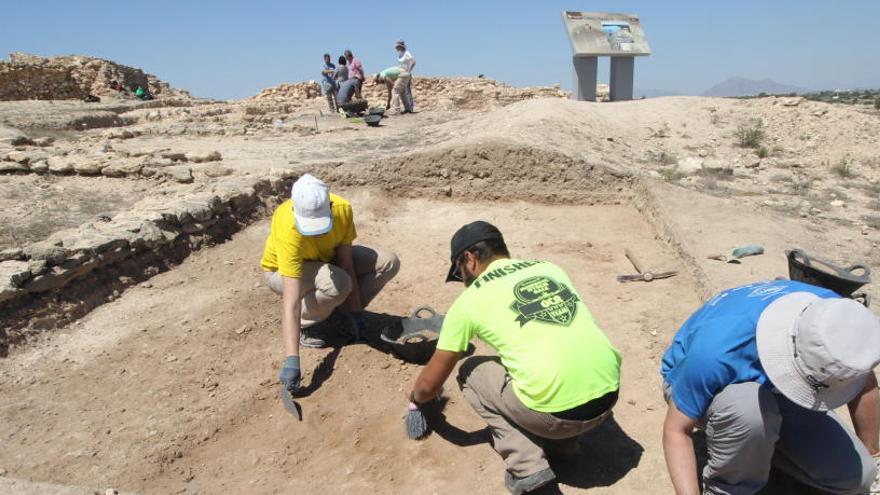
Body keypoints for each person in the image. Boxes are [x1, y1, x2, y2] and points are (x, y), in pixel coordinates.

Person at [409, 221, 621, 495]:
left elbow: (429, 386)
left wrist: (415, 399)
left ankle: (529, 469)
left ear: (469, 259)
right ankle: (566, 446)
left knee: (470, 370)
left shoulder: (469, 301)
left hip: (558, 418)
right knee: (552, 355)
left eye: (459, 271)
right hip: (608, 398)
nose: (463, 280)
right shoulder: (549, 268)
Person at [661, 279, 880, 495]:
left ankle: (760, 450)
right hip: (710, 389)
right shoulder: (716, 353)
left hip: (776, 392)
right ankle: (729, 488)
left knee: (856, 478)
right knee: (748, 411)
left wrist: (874, 455)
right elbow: (677, 431)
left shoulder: (836, 317)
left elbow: (864, 381)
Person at [261, 174, 400, 397]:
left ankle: (338, 313)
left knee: (389, 262)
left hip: (326, 263)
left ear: (330, 205)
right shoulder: (288, 227)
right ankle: (308, 326)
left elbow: (346, 263)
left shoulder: (342, 209)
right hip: (281, 273)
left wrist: (356, 313)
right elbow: (291, 302)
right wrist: (292, 359)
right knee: (338, 284)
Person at [395, 40, 416, 112]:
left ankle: (410, 108)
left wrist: (409, 71)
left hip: (406, 74)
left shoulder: (407, 53)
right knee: (403, 91)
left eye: (397, 46)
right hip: (401, 74)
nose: (396, 48)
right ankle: (407, 108)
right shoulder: (400, 54)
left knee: (407, 90)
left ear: (401, 46)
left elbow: (413, 61)